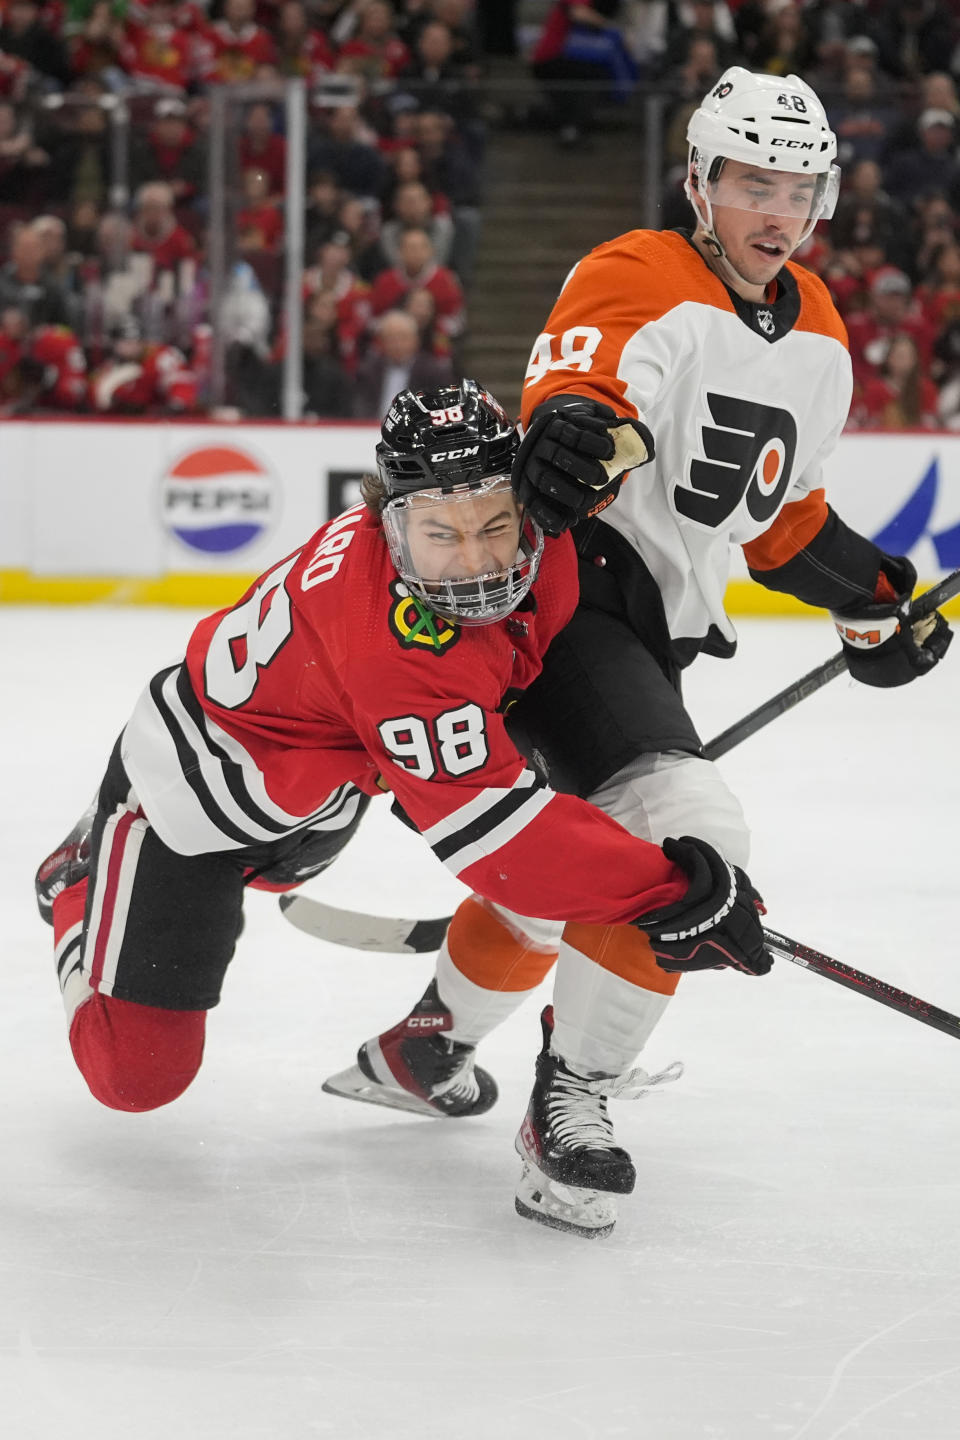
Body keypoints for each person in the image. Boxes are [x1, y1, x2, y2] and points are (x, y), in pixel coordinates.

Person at [328, 68, 953, 1240]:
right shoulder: (638, 269)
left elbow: (780, 523)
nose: (774, 209)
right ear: (699, 183)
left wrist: (875, 602)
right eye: (750, 182)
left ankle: (425, 1049)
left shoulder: (818, 329)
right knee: (688, 833)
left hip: (647, 627)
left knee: (572, 872)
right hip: (569, 604)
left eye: (797, 187)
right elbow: (585, 391)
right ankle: (573, 1102)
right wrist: (581, 427)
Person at [36, 381, 772, 1212]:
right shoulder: (391, 643)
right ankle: (78, 880)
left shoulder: (545, 535)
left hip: (321, 783)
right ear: (390, 526)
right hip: (193, 800)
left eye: (496, 524)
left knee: (282, 875)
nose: (479, 561)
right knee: (136, 1077)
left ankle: (424, 1037)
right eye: (439, 535)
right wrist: (675, 890)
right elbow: (506, 851)